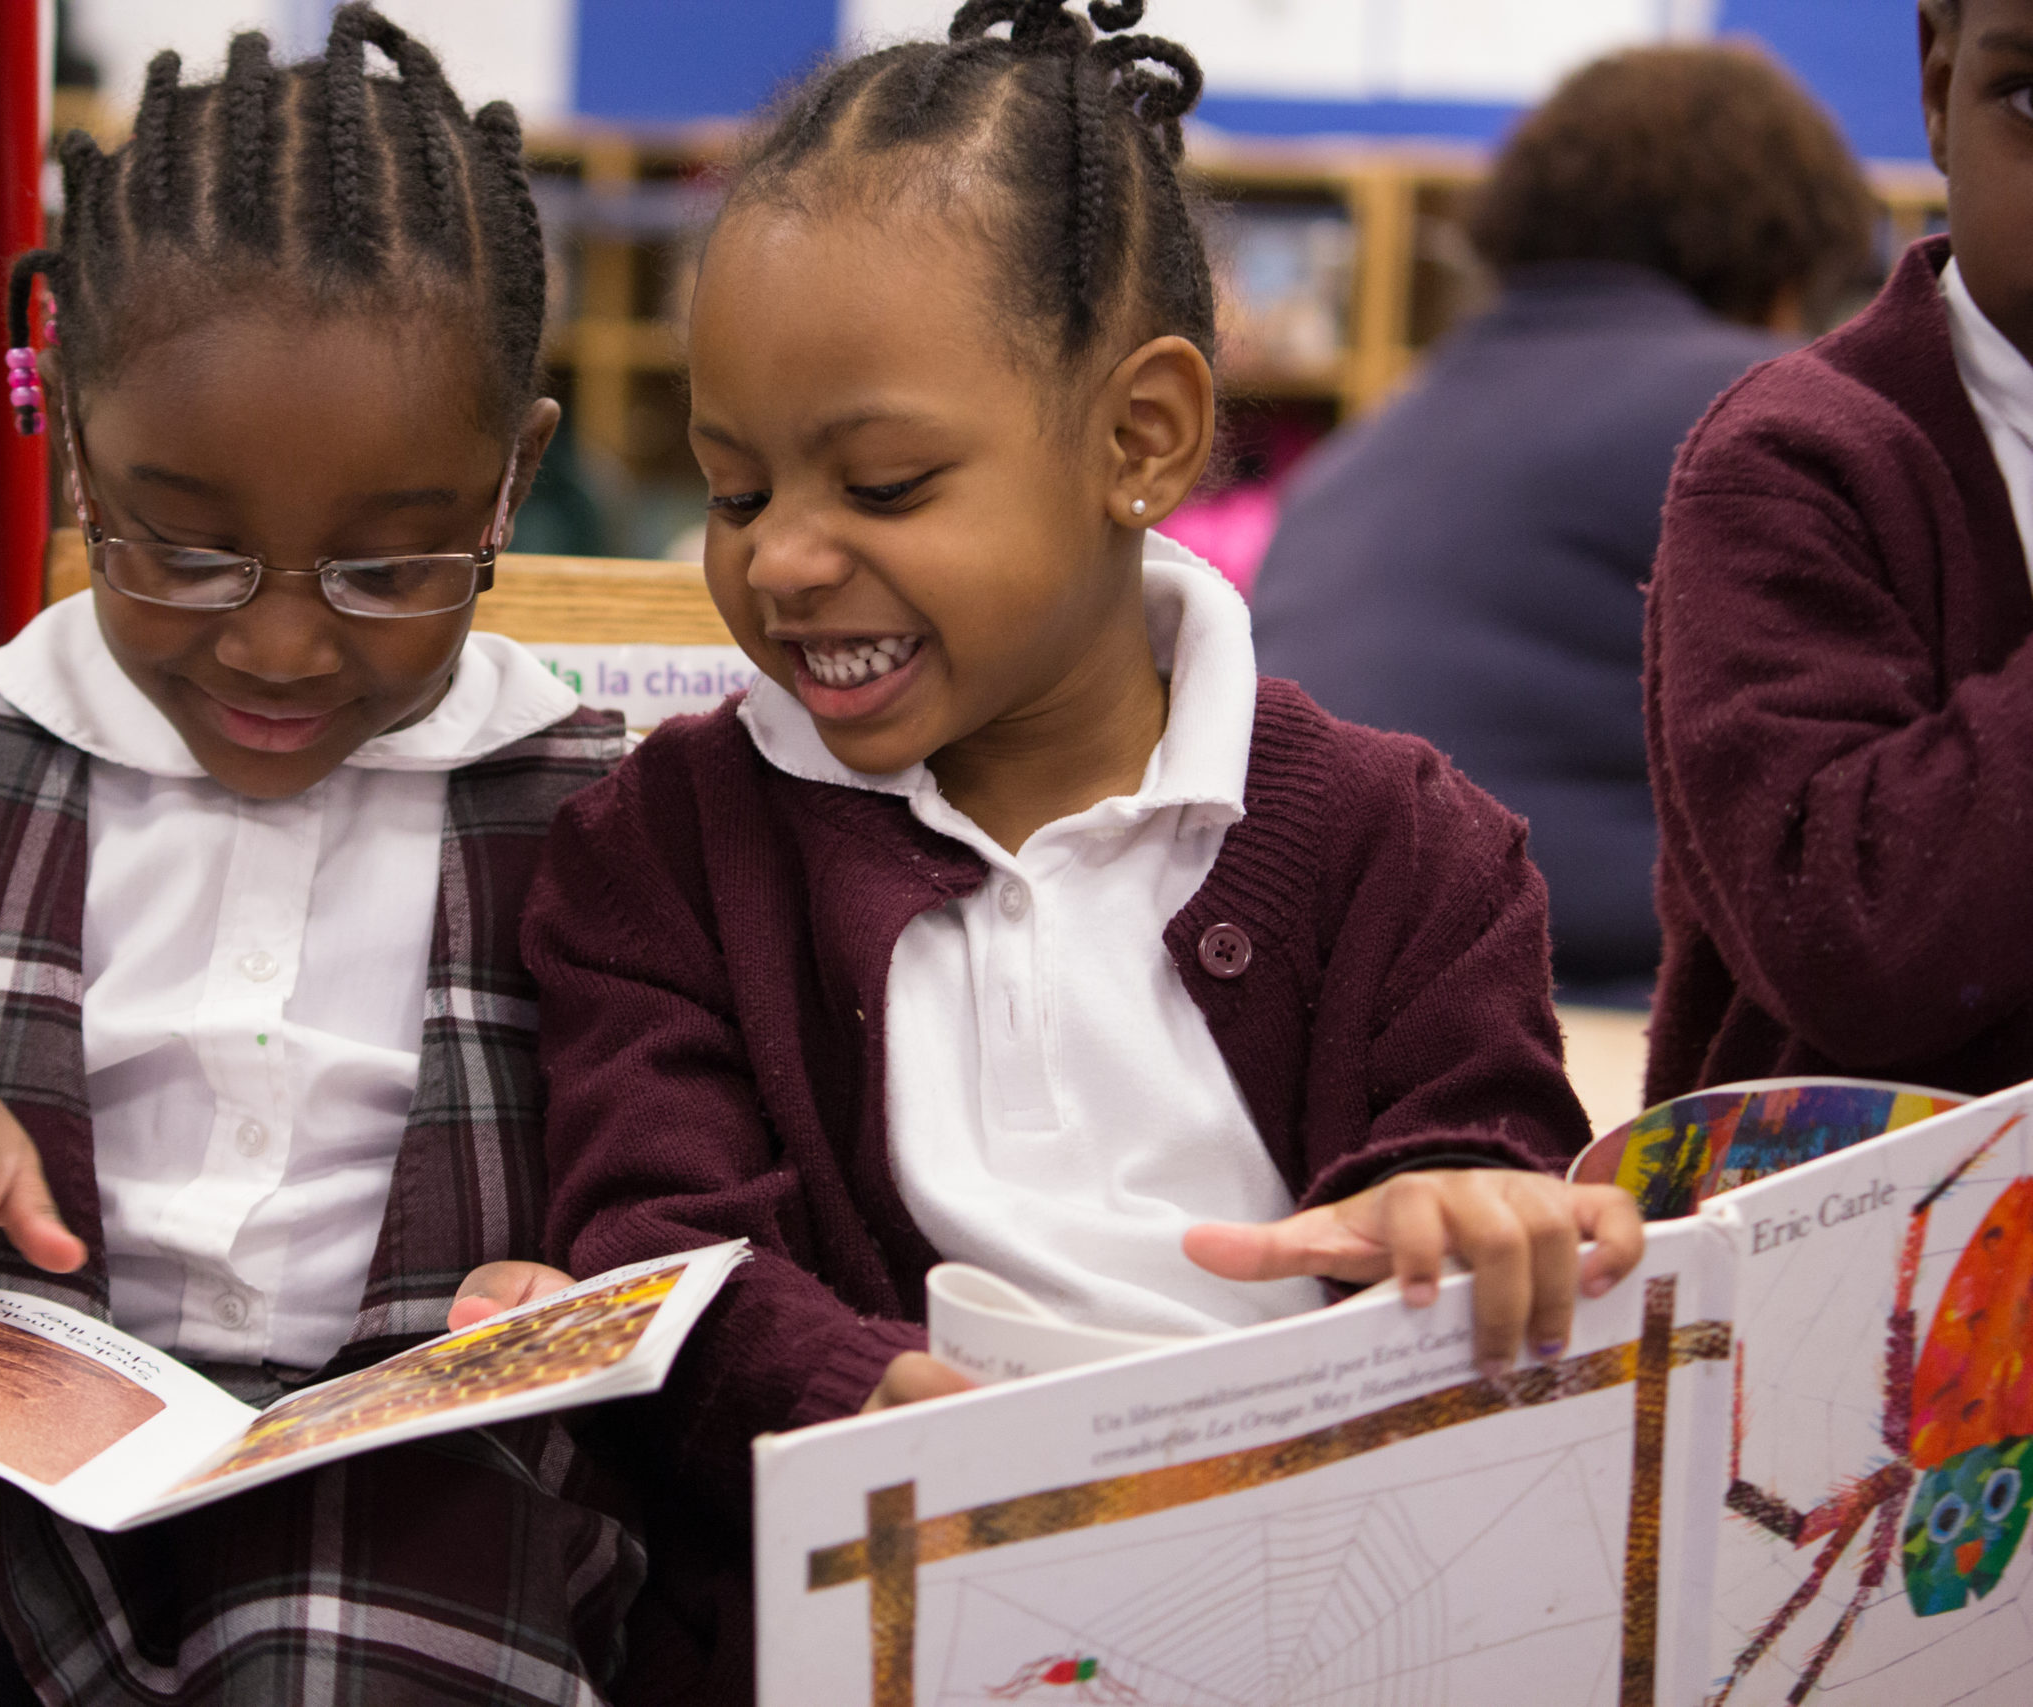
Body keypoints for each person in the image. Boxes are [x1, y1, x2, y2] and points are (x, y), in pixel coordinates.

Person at [448, 4, 1645, 1697]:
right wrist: (857, 1398)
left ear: (1138, 439)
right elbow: (655, 1243)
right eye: (730, 492)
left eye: (884, 482)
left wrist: (1458, 1213)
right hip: (867, 1620)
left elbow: (1479, 1145)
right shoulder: (661, 853)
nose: (783, 559)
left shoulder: (1414, 846)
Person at [0, 13, 641, 1704]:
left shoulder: (586, 808)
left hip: (409, 1478)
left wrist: (575, 1295)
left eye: (387, 567)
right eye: (179, 549)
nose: (275, 646)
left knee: (355, 1657)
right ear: (72, 447)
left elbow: (660, 1214)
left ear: (514, 484)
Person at [1252, 45, 1876, 1007]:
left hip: (1294, 987)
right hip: (1580, 997)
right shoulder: (1753, 407)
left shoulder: (1372, 438)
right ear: (1786, 271)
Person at [1645, 0, 2033, 1103]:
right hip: (1869, 1255)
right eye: (2031, 99)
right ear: (1937, 87)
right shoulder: (1794, 458)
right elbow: (1847, 934)